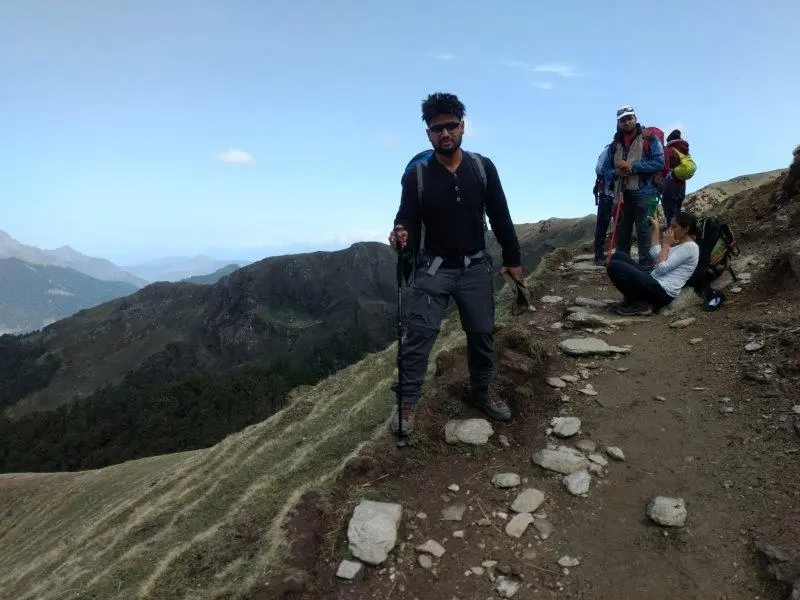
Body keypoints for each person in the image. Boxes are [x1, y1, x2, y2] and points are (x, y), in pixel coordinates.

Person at [388, 92, 523, 434]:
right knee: (419, 336)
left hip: (475, 266)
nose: (445, 133)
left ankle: (482, 390)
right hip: (434, 267)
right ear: (428, 134)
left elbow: (500, 215)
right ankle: (407, 402)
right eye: (438, 129)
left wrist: (512, 258)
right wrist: (401, 232)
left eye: (451, 126)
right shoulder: (417, 176)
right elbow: (407, 216)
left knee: (481, 334)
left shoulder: (482, 167)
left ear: (462, 127)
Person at [603, 106, 665, 267]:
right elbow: (605, 170)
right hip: (622, 194)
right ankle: (623, 267)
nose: (627, 122)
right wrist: (616, 172)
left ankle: (647, 267)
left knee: (645, 232)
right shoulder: (614, 145)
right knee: (622, 233)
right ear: (618, 123)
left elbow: (659, 163)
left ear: (635, 118)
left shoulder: (650, 139)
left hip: (646, 192)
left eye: (629, 118)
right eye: (623, 120)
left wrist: (633, 167)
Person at [606, 211, 700, 316]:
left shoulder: (690, 247)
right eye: (670, 226)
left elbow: (660, 269)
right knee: (618, 256)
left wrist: (666, 245)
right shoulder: (681, 245)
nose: (670, 229)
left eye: (674, 227)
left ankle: (638, 304)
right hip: (654, 281)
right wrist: (656, 228)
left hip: (662, 291)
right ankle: (631, 301)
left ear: (685, 229)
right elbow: (656, 254)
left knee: (615, 266)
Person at [593, 141, 616, 265]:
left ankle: (602, 255)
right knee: (603, 224)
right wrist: (614, 173)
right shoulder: (609, 150)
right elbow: (599, 169)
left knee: (605, 224)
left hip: (611, 193)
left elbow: (599, 169)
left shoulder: (612, 149)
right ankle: (599, 255)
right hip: (609, 193)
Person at [662, 129, 691, 226]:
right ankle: (678, 233)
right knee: (677, 213)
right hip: (682, 186)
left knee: (670, 215)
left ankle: (671, 233)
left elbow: (664, 168)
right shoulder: (685, 151)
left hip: (670, 186)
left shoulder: (669, 150)